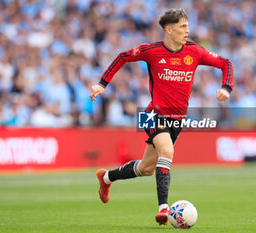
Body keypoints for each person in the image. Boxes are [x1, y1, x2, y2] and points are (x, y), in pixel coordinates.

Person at [90, 8, 234, 225]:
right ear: (168, 29)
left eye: (187, 26)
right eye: (182, 27)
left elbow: (226, 63)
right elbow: (123, 57)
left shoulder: (195, 51)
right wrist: (102, 84)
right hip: (151, 114)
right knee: (167, 151)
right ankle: (164, 209)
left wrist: (226, 87)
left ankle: (106, 177)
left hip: (177, 120)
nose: (187, 30)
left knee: (147, 168)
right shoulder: (152, 50)